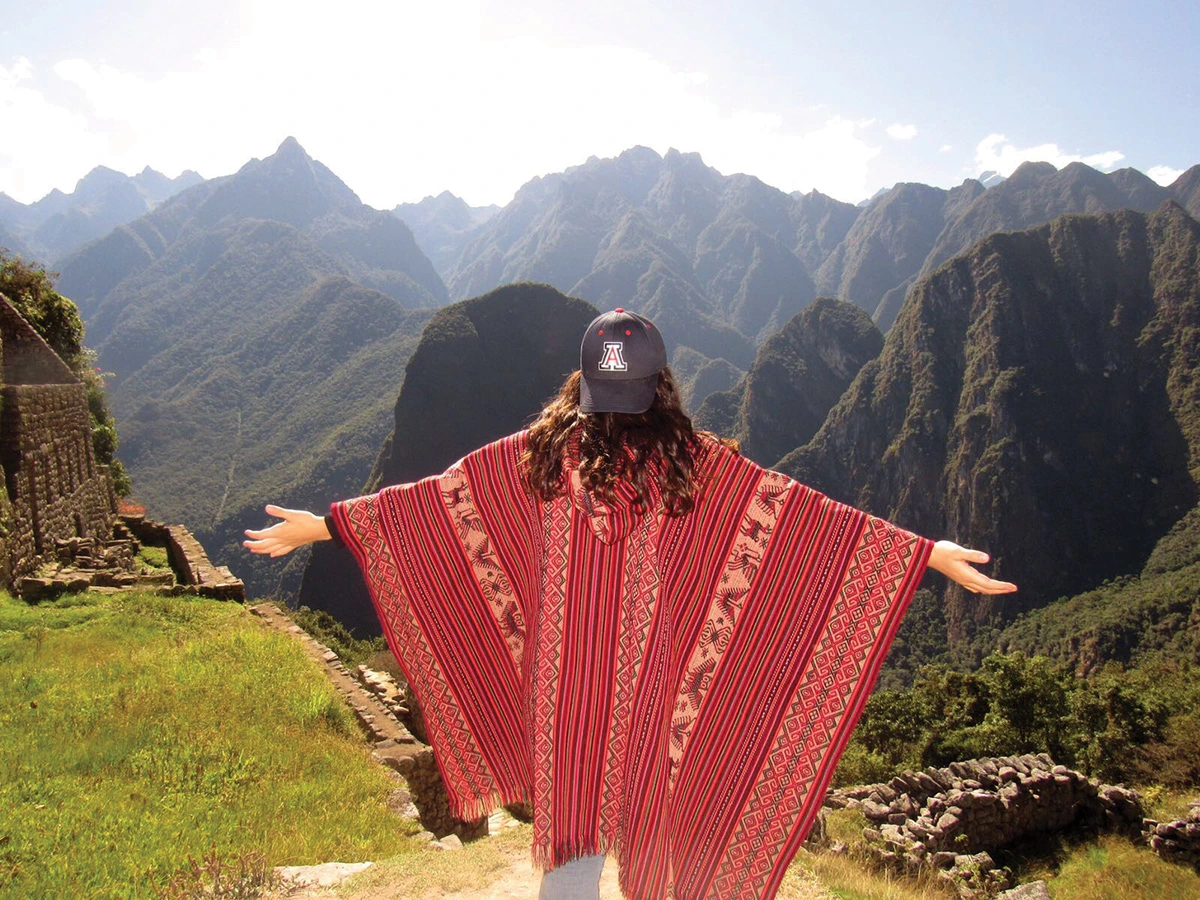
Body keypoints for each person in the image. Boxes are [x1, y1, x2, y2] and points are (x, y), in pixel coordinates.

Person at [244, 307, 1016, 900]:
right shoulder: (697, 467)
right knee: (650, 836)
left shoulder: (534, 459)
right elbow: (806, 525)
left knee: (572, 848)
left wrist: (325, 525)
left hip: (567, 704)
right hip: (656, 701)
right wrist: (923, 556)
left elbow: (432, 508)